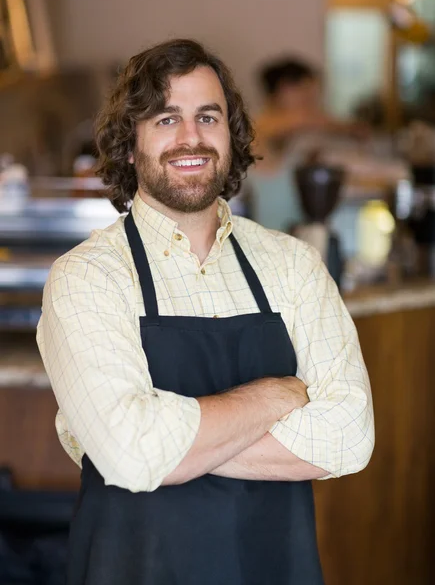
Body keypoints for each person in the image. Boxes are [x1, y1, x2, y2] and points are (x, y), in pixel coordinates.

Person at [37, 39, 374, 585]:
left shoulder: (292, 265)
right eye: (166, 118)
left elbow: (349, 437)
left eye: (207, 117)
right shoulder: (87, 275)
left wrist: (168, 450)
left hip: (273, 569)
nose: (190, 137)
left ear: (231, 135)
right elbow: (128, 453)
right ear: (129, 145)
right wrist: (277, 394)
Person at [241, 57, 367, 232]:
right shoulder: (262, 127)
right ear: (285, 90)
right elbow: (306, 120)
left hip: (288, 235)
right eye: (307, 95)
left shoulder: (289, 135)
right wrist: (352, 129)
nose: (312, 104)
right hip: (265, 236)